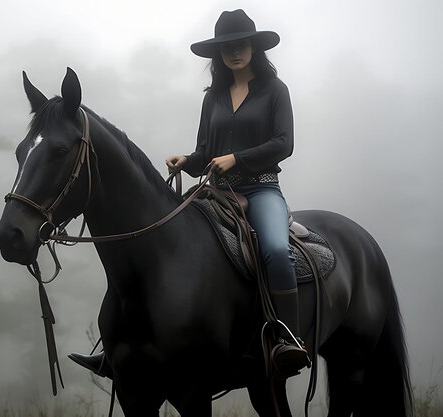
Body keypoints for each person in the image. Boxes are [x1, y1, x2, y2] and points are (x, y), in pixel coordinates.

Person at [69, 9, 309, 378]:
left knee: (276, 249)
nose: (234, 52)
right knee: (162, 245)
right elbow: (204, 151)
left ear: (254, 48)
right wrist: (188, 160)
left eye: (241, 44)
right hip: (215, 192)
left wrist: (237, 158)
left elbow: (284, 143)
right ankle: (120, 341)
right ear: (218, 55)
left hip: (261, 190)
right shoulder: (212, 97)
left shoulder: (275, 91)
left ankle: (287, 338)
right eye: (226, 47)